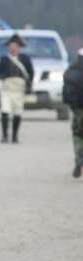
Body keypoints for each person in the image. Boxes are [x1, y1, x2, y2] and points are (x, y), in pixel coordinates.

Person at [0, 33, 33, 144]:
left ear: (19, 47)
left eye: (15, 46)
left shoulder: (25, 59)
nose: (13, 48)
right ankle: (4, 135)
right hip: (7, 88)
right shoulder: (4, 60)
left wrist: (29, 86)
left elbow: (30, 73)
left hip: (19, 88)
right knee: (5, 111)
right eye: (11, 45)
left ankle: (15, 136)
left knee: (18, 112)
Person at [62, 48, 83, 178]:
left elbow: (66, 94)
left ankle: (79, 158)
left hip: (77, 110)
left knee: (77, 135)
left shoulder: (70, 73)